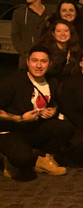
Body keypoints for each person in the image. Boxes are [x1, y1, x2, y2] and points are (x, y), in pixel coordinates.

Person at [0, 45, 72, 180]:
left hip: (34, 128)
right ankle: (10, 159)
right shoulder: (12, 82)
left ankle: (43, 158)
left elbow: (55, 103)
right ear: (27, 62)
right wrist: (18, 118)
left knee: (65, 127)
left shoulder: (51, 82)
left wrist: (53, 110)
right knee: (23, 160)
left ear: (49, 64)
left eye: (43, 61)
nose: (38, 65)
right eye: (34, 61)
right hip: (11, 130)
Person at [11, 0, 55, 68]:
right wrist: (24, 52)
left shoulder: (51, 12)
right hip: (27, 60)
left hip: (48, 58)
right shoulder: (19, 13)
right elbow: (15, 35)